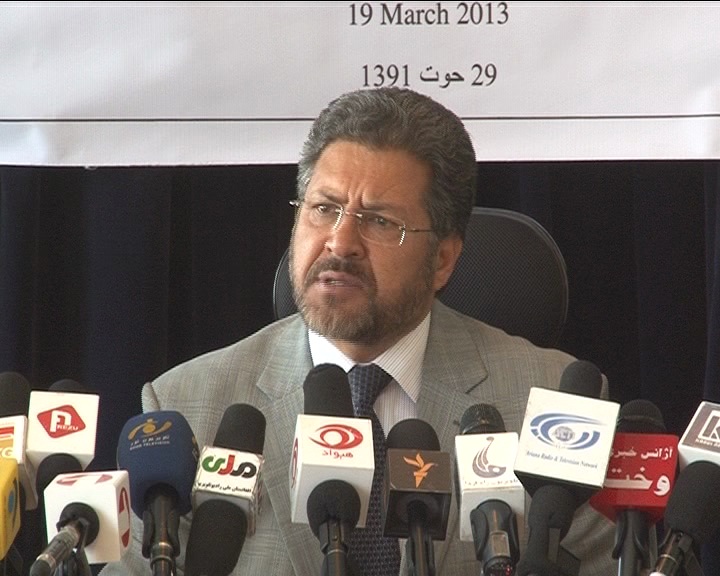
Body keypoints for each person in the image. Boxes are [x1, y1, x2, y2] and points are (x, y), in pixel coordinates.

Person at [101, 87, 616, 575]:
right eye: (324, 209)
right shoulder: (189, 406)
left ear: (442, 259)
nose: (340, 242)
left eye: (379, 221)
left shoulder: (552, 405)